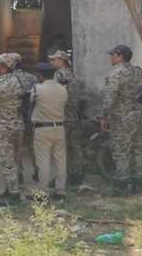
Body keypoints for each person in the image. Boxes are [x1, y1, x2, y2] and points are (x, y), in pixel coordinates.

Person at [101, 44, 142, 196]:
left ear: (120, 56)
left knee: (121, 150)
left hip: (123, 117)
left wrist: (104, 116)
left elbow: (109, 98)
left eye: (113, 55)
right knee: (138, 149)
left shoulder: (117, 73)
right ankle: (138, 184)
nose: (111, 58)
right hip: (139, 114)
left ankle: (121, 187)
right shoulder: (138, 71)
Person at [0, 53, 26, 206]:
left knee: (7, 161)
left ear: (4, 67)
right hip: (18, 124)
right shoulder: (19, 80)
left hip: (3, 127)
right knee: (15, 159)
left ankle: (14, 193)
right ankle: (10, 189)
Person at [28, 63, 68, 201]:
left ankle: (42, 192)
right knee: (60, 160)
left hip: (42, 128)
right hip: (60, 127)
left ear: (39, 75)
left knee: (43, 161)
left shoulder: (37, 88)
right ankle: (60, 190)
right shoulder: (63, 89)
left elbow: (31, 103)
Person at [48, 50, 86, 186]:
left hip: (62, 117)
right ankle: (78, 174)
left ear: (61, 61)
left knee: (60, 149)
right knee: (75, 147)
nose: (52, 62)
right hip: (74, 116)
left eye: (54, 60)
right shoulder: (74, 75)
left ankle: (61, 178)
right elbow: (82, 98)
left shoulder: (59, 75)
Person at [10, 52, 39, 184]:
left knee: (16, 146)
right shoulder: (32, 78)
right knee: (33, 145)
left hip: (15, 115)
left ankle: (19, 172)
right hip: (31, 115)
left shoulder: (9, 79)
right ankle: (37, 170)